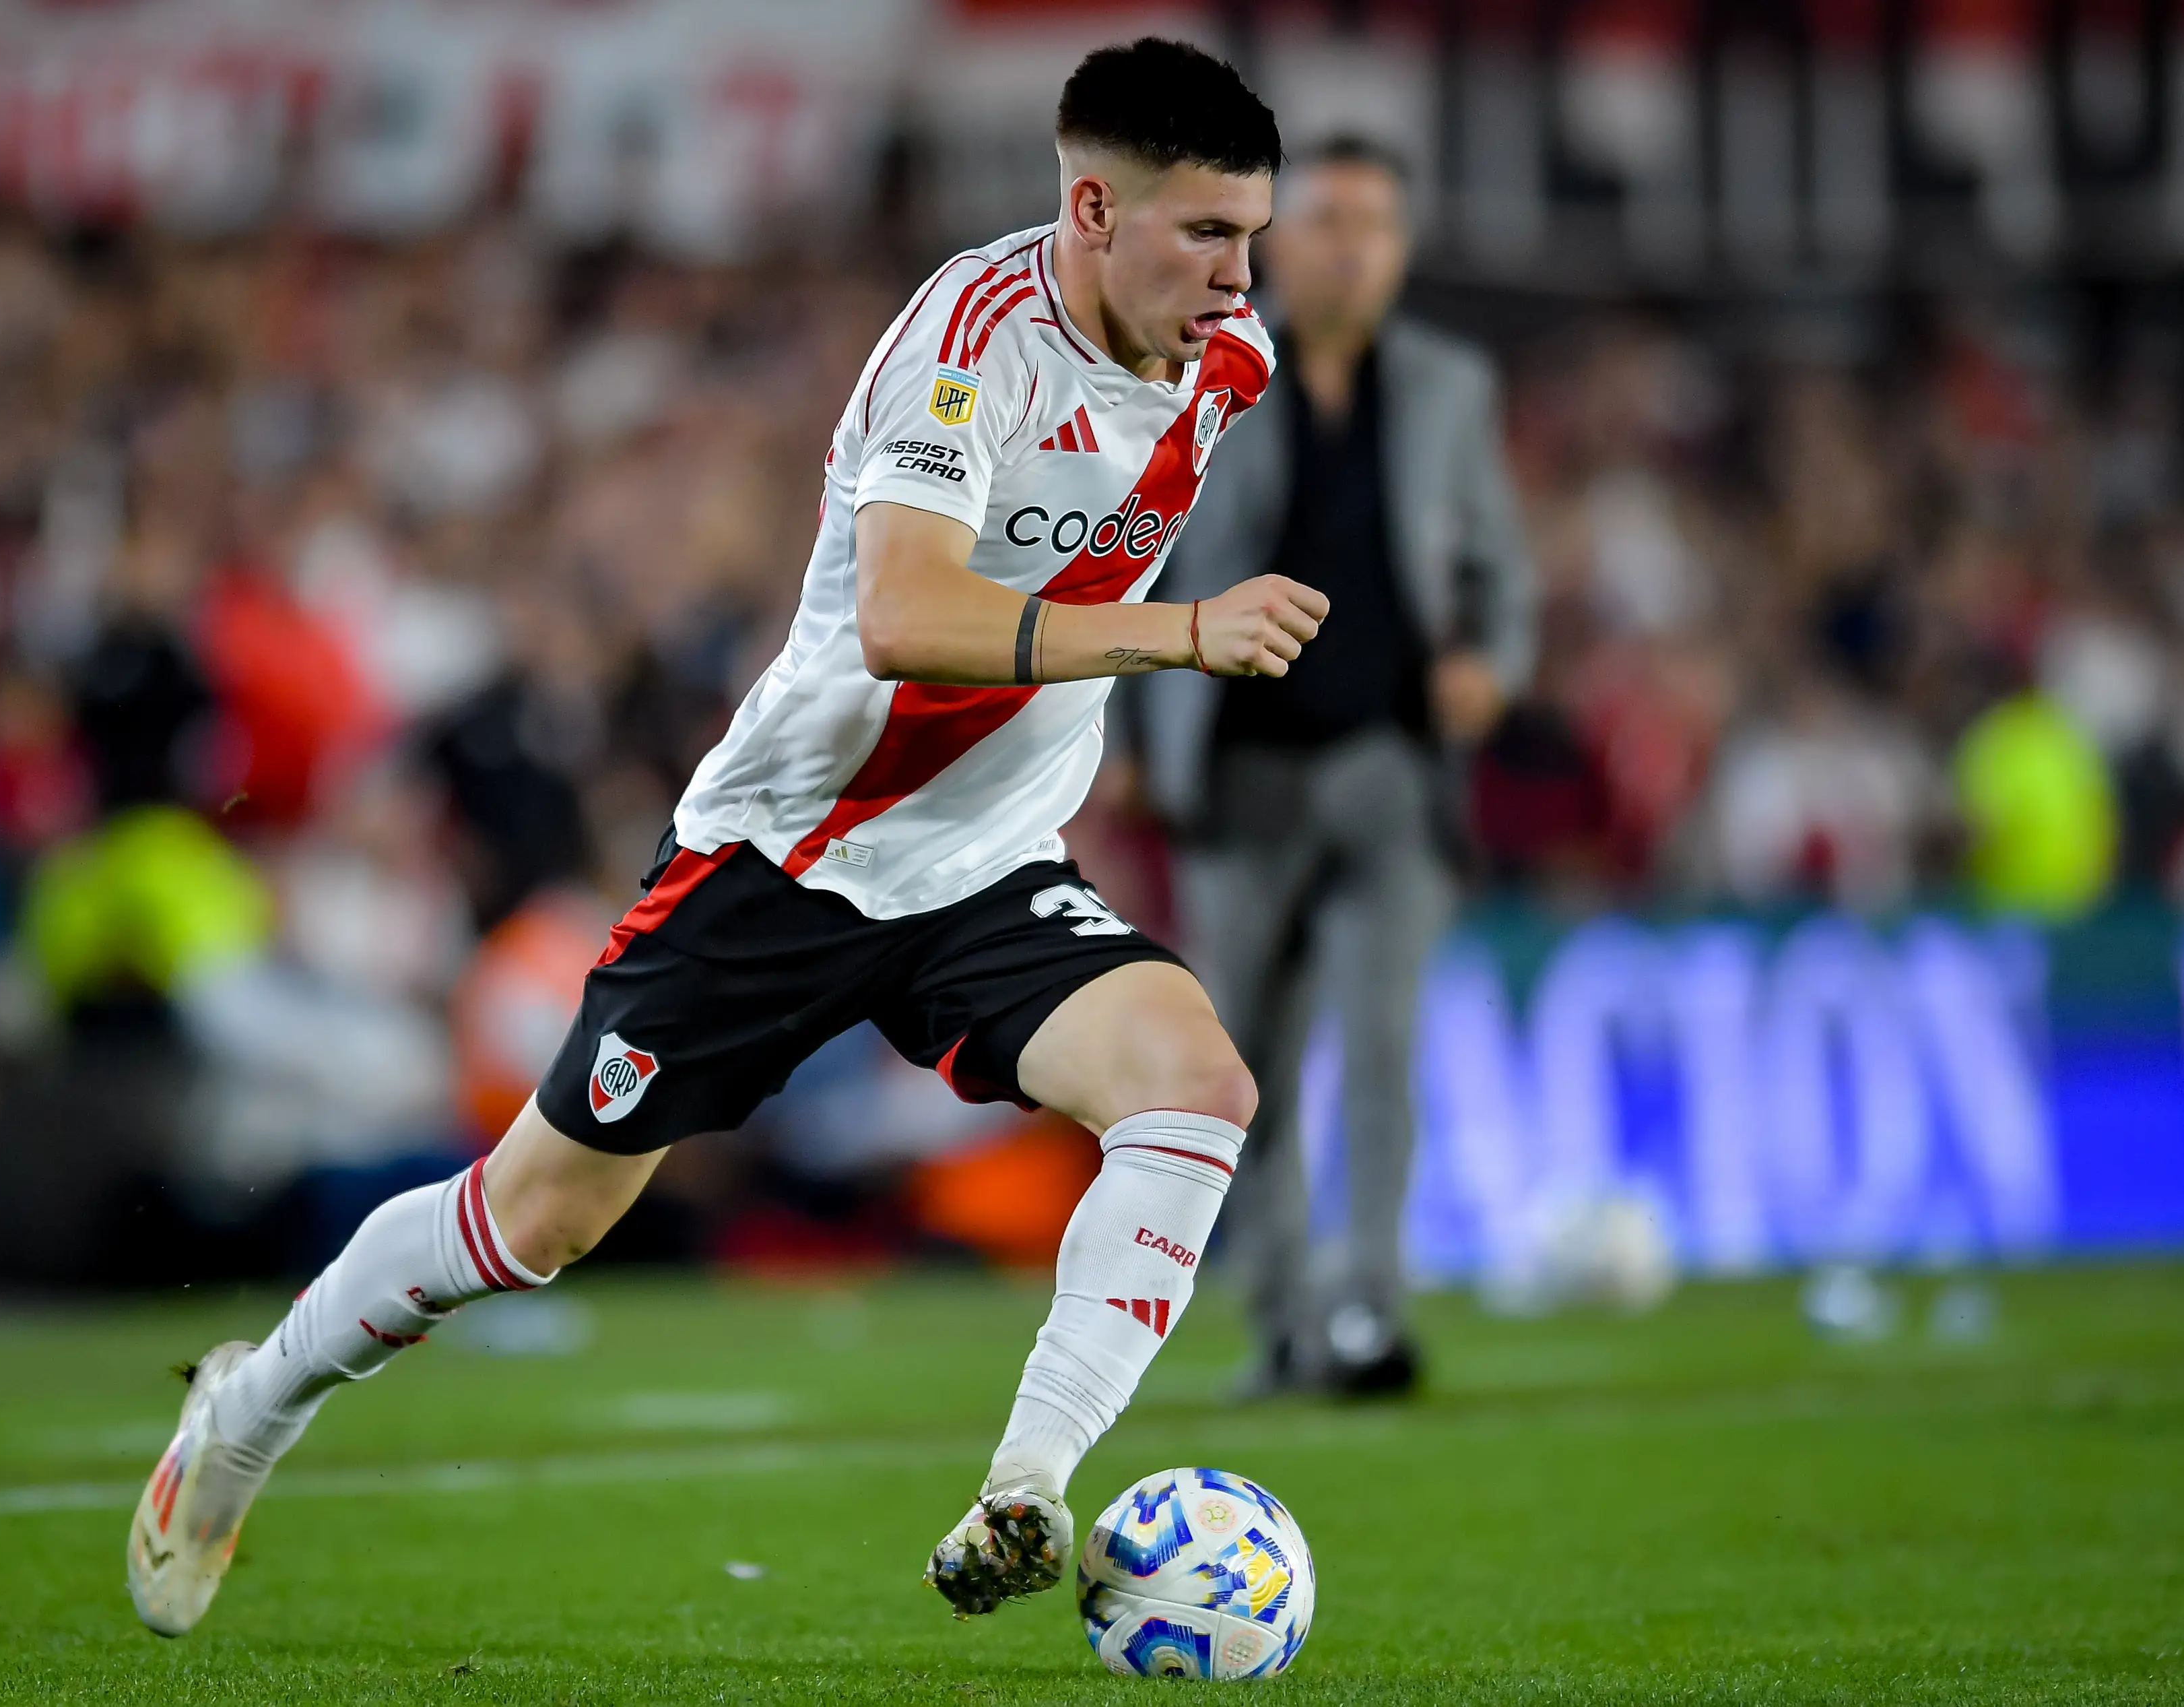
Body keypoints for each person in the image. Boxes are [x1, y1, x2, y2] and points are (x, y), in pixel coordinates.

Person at [128, 38, 1329, 1636]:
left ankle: (1027, 1485)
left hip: (986, 859)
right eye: (1204, 233)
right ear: (1092, 206)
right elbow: (904, 614)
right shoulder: (963, 351)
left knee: (1197, 1086)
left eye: (1253, 233)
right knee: (535, 1221)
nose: (1240, 274)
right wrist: (1180, 634)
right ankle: (252, 1404)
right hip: (791, 852)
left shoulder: (1226, 355)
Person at [1131, 137, 1537, 1396]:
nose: (1354, 245)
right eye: (1330, 220)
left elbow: (1502, 574)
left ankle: (1370, 1315)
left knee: (1381, 1048)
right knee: (1239, 1067)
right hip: (1241, 769)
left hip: (1386, 768)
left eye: (1377, 224)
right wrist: (1135, 734)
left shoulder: (1448, 387)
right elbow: (1141, 556)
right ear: (1279, 241)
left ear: (1401, 251)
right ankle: (1284, 1320)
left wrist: (1493, 663)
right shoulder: (1204, 369)